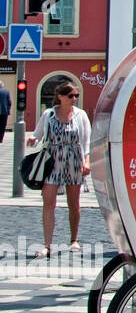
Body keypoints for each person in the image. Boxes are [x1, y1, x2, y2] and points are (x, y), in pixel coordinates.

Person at [27, 83, 92, 258]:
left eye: (76, 95)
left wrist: (87, 161)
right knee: (48, 202)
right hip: (52, 160)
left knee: (74, 203)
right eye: (71, 95)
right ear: (60, 97)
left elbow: (86, 141)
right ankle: (47, 245)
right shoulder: (48, 114)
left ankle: (74, 239)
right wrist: (33, 139)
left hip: (73, 161)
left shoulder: (81, 115)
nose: (74, 99)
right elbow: (38, 133)